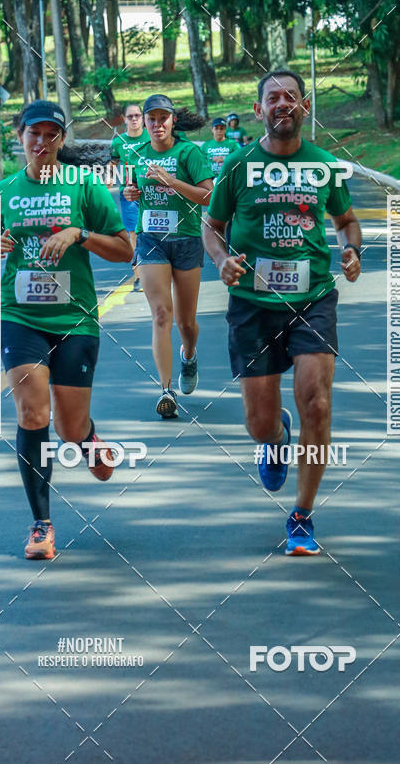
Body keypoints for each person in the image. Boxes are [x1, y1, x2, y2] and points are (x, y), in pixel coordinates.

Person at [203, 70, 362, 555]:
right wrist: (221, 259)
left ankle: (302, 514)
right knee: (259, 422)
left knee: (317, 401)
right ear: (259, 110)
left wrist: (351, 249)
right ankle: (275, 437)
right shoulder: (238, 165)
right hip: (253, 305)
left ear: (305, 106)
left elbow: (346, 221)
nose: (282, 103)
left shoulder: (324, 166)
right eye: (272, 97)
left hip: (313, 299)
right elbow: (212, 225)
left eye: (291, 96)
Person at [0, 100, 133, 560]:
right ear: (20, 137)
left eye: (51, 134)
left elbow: (125, 250)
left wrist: (79, 234)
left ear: (61, 140)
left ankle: (87, 438)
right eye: (34, 133)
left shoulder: (84, 185)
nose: (42, 141)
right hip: (20, 315)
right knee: (33, 414)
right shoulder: (1, 191)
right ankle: (41, 525)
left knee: (68, 428)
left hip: (74, 320)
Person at [123, 94, 214, 418]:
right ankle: (166, 390)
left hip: (186, 239)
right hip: (151, 240)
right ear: (145, 122)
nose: (157, 124)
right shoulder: (137, 154)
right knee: (161, 314)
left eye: (164, 118)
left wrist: (171, 181)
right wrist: (130, 192)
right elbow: (133, 190)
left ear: (173, 120)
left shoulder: (189, 153)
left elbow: (209, 196)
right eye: (152, 118)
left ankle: (189, 355)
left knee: (185, 322)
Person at [110, 103, 149, 291]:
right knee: (133, 233)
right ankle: (139, 277)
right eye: (130, 116)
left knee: (151, 231)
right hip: (128, 193)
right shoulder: (118, 142)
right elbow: (112, 164)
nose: (134, 119)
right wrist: (108, 179)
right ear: (124, 119)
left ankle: (158, 271)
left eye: (137, 115)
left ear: (143, 118)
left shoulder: (151, 137)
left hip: (151, 191)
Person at [200, 117, 241, 183]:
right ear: (212, 129)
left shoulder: (233, 144)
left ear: (225, 130)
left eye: (221, 128)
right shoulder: (205, 146)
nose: (219, 131)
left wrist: (225, 158)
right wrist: (211, 158)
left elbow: (240, 159)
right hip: (210, 178)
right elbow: (200, 162)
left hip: (228, 177)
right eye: (216, 128)